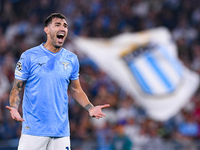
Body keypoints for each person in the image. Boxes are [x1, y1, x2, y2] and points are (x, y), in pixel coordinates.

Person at [6, 13, 110, 150]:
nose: (63, 28)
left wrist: (90, 108)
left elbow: (76, 90)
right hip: (34, 131)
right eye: (57, 25)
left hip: (61, 133)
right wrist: (13, 107)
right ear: (47, 30)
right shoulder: (28, 56)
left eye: (65, 26)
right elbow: (17, 88)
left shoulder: (71, 59)